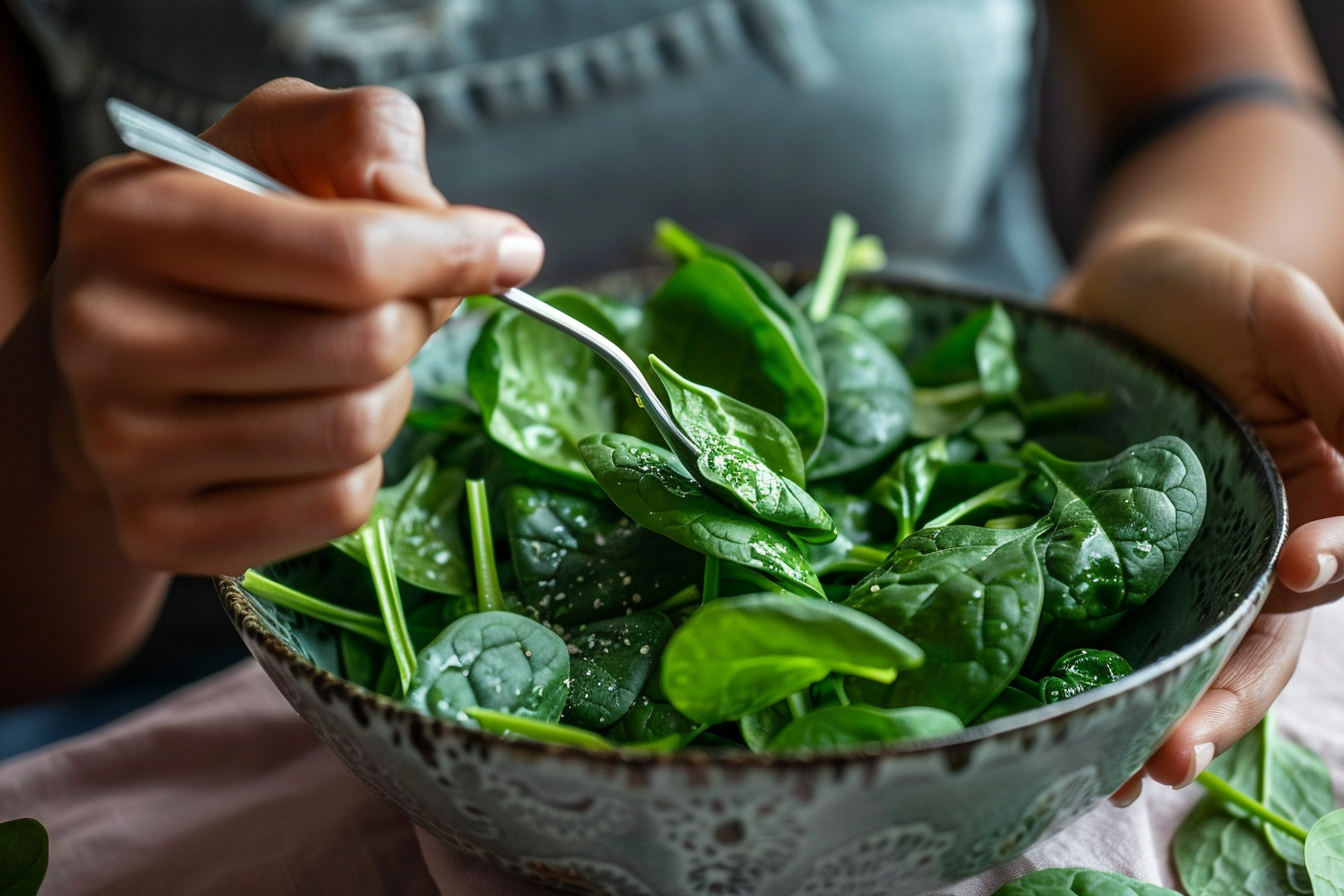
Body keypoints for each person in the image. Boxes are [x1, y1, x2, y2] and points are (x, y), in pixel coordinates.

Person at [0, 0, 1342, 867]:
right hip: (241, 695)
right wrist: (72, 434)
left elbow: (1225, 95)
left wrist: (1142, 346)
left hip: (983, 357)